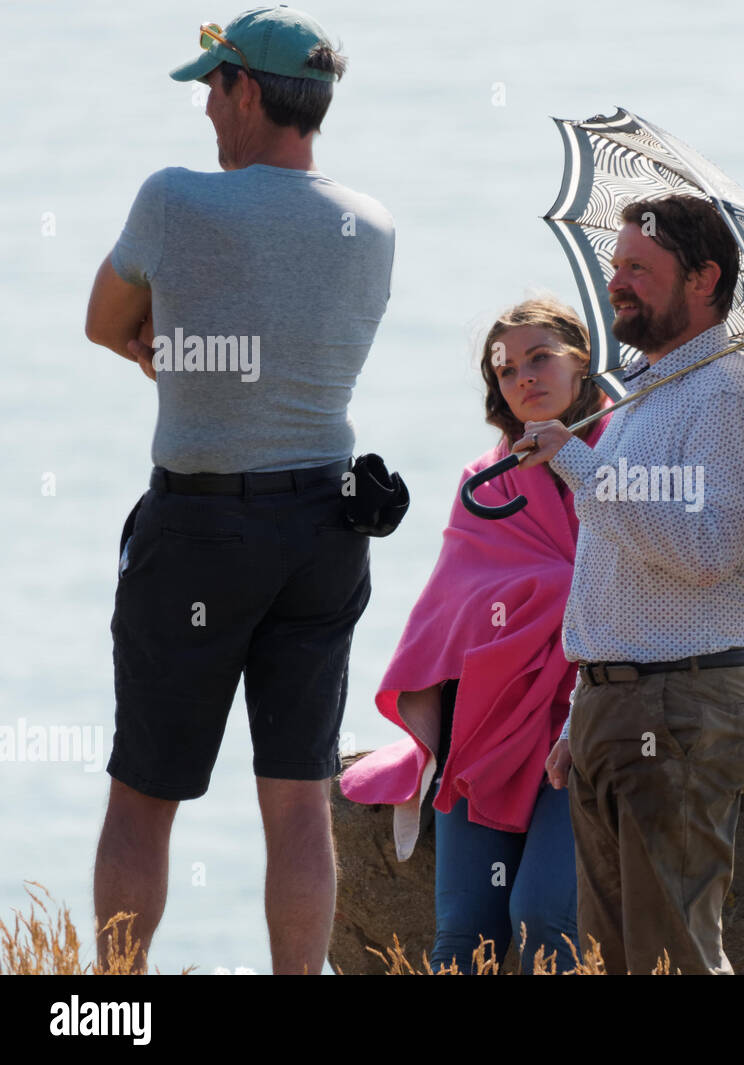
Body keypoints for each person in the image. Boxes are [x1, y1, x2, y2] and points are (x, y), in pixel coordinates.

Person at [84, 7, 394, 974]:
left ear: (246, 91)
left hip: (204, 523)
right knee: (300, 794)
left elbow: (104, 321)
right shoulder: (371, 223)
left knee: (144, 792)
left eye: (210, 90)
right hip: (324, 527)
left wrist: (167, 347)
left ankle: (114, 1007)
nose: (205, 112)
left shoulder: (177, 200)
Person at [523, 194, 744, 975]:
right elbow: (623, 561)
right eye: (616, 266)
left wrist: (578, 463)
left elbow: (705, 551)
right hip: (624, 704)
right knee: (612, 962)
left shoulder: (730, 396)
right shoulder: (649, 393)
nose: (617, 283)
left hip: (681, 707)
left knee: (672, 958)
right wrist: (587, 703)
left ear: (704, 278)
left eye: (640, 268)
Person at [341, 297, 612, 973]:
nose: (524, 377)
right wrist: (551, 592)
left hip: (597, 712)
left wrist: (550, 590)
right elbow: (449, 615)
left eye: (541, 356)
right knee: (464, 932)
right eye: (507, 369)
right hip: (490, 725)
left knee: (544, 910)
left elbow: (655, 585)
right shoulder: (484, 483)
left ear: (584, 363)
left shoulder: (629, 462)